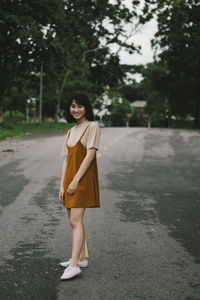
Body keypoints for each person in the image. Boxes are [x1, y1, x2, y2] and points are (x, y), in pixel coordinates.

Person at [59, 93, 101, 280]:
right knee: (73, 221)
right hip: (69, 180)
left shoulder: (92, 127)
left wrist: (75, 180)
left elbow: (90, 155)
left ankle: (74, 265)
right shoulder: (70, 131)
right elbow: (66, 160)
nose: (76, 110)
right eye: (72, 106)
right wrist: (62, 185)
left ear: (86, 107)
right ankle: (81, 258)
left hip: (81, 180)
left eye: (80, 106)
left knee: (76, 221)